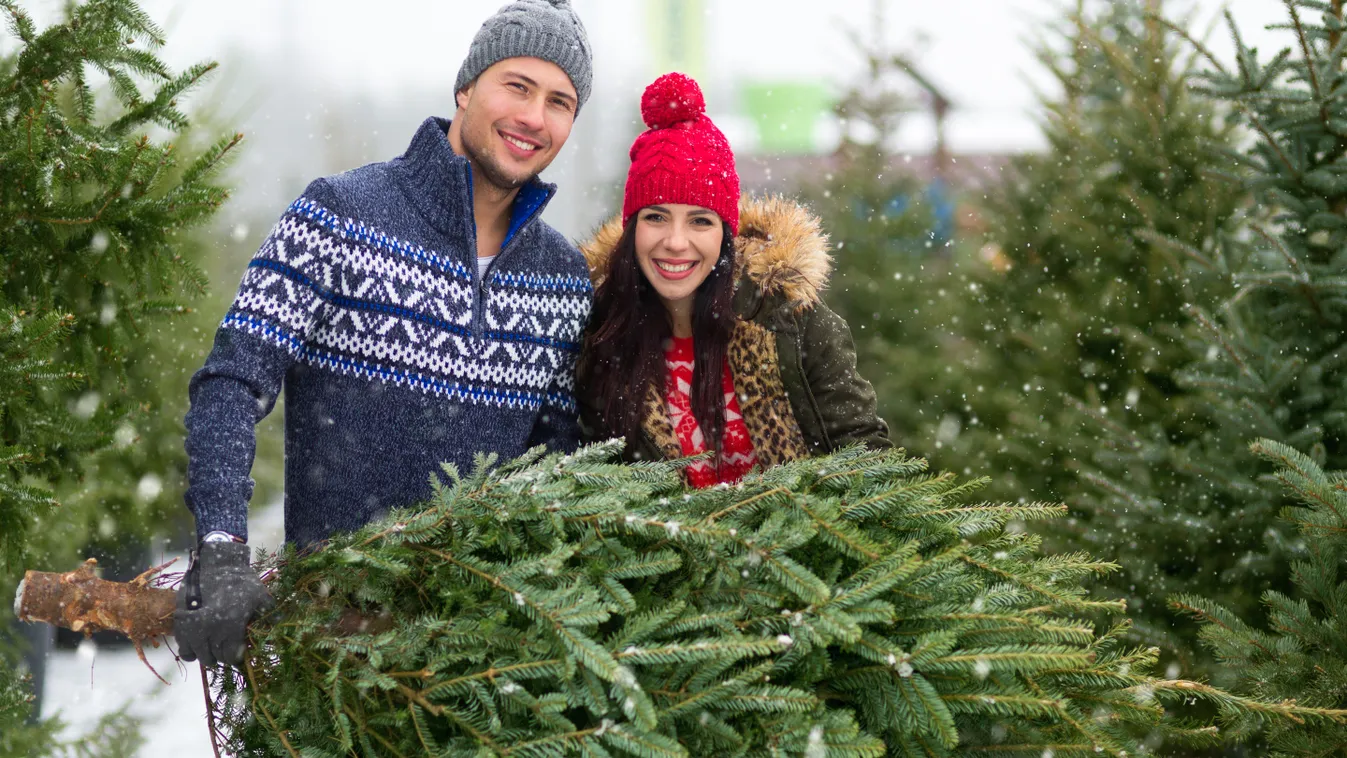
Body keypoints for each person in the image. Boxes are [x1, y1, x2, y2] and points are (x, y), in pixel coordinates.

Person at [174, 0, 594, 668]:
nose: (533, 118)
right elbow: (232, 380)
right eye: (516, 86)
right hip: (329, 657)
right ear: (465, 87)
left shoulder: (563, 279)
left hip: (484, 675)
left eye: (559, 101)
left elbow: (561, 467)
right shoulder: (339, 215)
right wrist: (221, 544)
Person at [578, 73, 891, 488]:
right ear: (632, 227)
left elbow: (866, 456)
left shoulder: (790, 320)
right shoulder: (600, 337)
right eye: (655, 217)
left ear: (725, 235)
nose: (675, 242)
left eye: (700, 221)